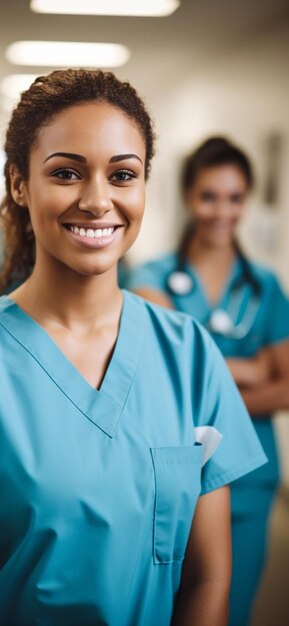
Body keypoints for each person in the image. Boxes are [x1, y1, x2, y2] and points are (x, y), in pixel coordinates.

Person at [0, 72, 267, 626]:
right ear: (18, 184)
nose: (97, 200)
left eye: (123, 174)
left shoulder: (189, 354)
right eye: (66, 173)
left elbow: (208, 579)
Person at [127, 136, 289, 626]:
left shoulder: (265, 286)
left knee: (228, 610)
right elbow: (162, 370)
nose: (223, 210)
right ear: (188, 197)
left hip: (249, 482)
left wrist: (207, 379)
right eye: (209, 196)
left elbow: (287, 385)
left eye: (235, 197)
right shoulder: (149, 276)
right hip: (169, 477)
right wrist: (250, 367)